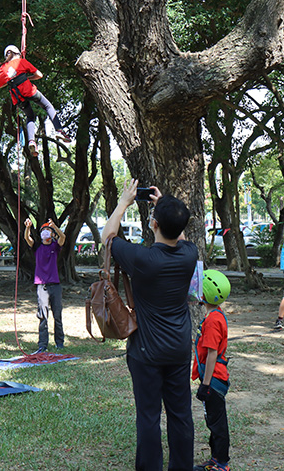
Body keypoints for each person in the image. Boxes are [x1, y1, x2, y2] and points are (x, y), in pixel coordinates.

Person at [100, 180, 197, 471]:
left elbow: (107, 236)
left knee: (149, 416)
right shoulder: (189, 254)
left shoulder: (142, 259)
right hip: (179, 348)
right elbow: (177, 233)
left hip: (146, 351)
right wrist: (164, 208)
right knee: (181, 415)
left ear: (153, 224)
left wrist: (124, 202)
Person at [0, 45, 70, 157]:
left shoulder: (3, 69)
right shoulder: (22, 62)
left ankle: (32, 141)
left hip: (18, 97)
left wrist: (10, 81)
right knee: (47, 106)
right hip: (30, 91)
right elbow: (39, 75)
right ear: (17, 53)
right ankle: (59, 130)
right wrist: (26, 78)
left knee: (30, 116)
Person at [193, 270, 232, 471]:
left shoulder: (212, 321)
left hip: (214, 379)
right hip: (214, 377)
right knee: (213, 421)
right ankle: (216, 459)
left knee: (217, 424)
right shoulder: (215, 315)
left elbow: (211, 354)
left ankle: (221, 463)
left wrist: (206, 385)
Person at [23, 218, 66, 353]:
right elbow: (27, 238)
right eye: (43, 230)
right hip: (42, 286)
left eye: (48, 230)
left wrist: (55, 227)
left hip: (55, 285)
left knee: (57, 315)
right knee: (43, 316)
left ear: (52, 234)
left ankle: (60, 343)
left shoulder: (55, 246)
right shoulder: (37, 247)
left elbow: (63, 237)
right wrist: (28, 227)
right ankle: (42, 344)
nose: (45, 232)